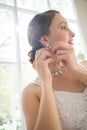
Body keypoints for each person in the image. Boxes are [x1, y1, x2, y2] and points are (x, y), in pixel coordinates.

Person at [21, 10, 87, 130]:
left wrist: (76, 69)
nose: (73, 33)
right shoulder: (31, 92)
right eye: (64, 27)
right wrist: (46, 82)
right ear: (45, 40)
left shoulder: (85, 65)